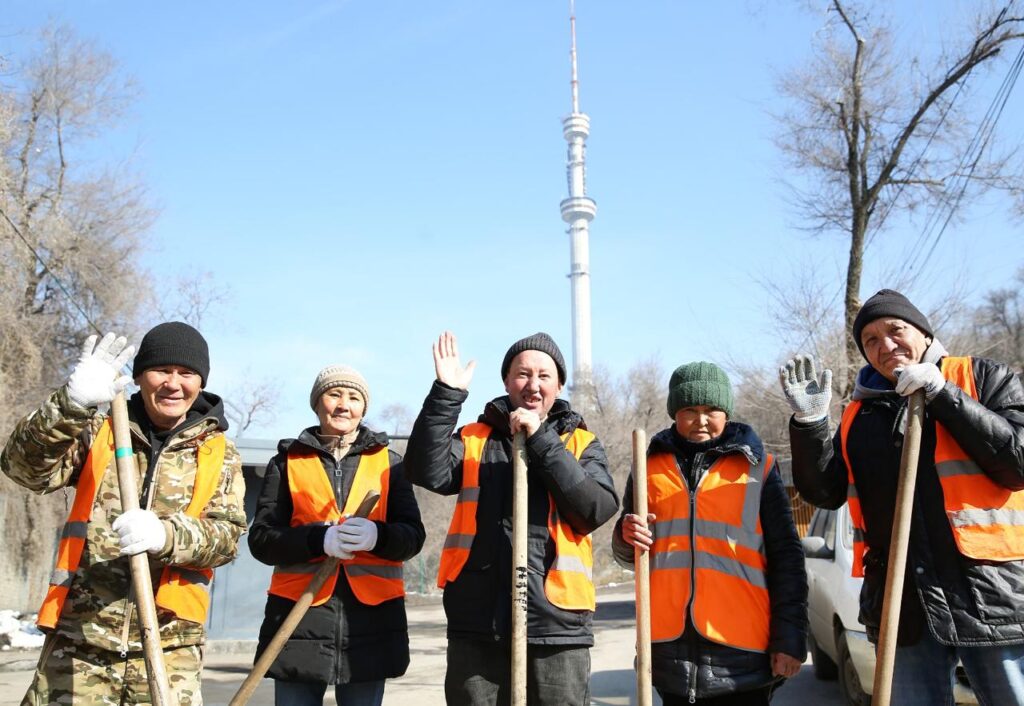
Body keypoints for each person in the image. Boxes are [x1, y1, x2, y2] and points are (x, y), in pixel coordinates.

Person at [780, 288, 1024, 705]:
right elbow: (825, 491)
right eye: (871, 340)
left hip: (989, 595)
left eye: (896, 330)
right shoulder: (861, 414)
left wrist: (944, 395)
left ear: (924, 334)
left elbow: (1017, 464)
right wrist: (811, 425)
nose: (885, 345)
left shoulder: (982, 379)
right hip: (902, 603)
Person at [1, 322, 247, 705]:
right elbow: (22, 468)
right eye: (161, 370)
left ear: (200, 382)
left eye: (186, 373)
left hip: (170, 646)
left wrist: (167, 536)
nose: (173, 383)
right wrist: (71, 403)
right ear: (138, 377)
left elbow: (227, 538)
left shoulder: (218, 451)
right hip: (81, 641)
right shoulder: (98, 430)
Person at [403, 331, 618, 706]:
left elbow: (594, 510)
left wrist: (541, 439)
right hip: (477, 621)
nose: (533, 385)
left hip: (557, 625)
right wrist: (446, 395)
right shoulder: (475, 438)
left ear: (559, 384)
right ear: (506, 381)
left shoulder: (581, 443)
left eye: (544, 375)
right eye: (522, 374)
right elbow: (425, 469)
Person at [614, 361, 807, 706]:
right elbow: (630, 554)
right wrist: (625, 535)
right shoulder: (646, 468)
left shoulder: (758, 468)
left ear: (727, 412)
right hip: (668, 654)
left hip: (742, 655)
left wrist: (789, 639)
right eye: (690, 410)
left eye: (711, 410)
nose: (701, 420)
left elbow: (787, 559)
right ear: (675, 412)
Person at [249, 364, 425, 706]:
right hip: (297, 621)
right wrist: (318, 540)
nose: (344, 404)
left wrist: (379, 536)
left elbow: (413, 536)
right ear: (318, 403)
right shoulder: (287, 462)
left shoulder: (390, 464)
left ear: (363, 408)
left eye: (354, 397)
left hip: (371, 622)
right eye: (334, 394)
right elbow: (262, 539)